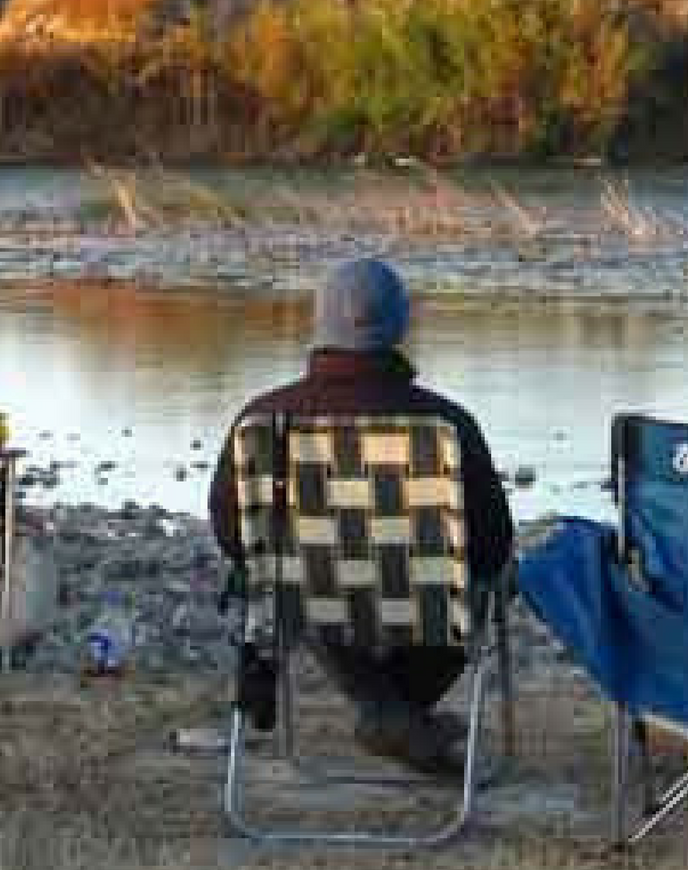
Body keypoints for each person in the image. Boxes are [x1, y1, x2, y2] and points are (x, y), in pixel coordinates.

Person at [208, 258, 514, 777]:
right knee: (479, 588)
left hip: (307, 597)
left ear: (319, 323)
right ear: (400, 326)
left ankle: (386, 712)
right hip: (430, 603)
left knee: (301, 578)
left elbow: (233, 533)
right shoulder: (447, 424)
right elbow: (491, 547)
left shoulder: (262, 420)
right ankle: (394, 716)